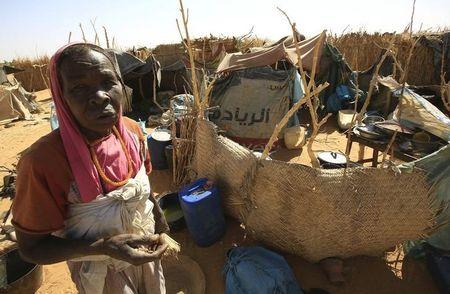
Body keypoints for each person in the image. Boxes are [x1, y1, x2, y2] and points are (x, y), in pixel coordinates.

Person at [12, 43, 171, 294]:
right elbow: (31, 248)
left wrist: (159, 220)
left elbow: (144, 188)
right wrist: (104, 247)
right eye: (78, 88)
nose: (99, 96)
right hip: (100, 276)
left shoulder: (132, 131)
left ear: (121, 84)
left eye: (108, 81)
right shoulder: (43, 162)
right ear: (61, 97)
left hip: (147, 252)